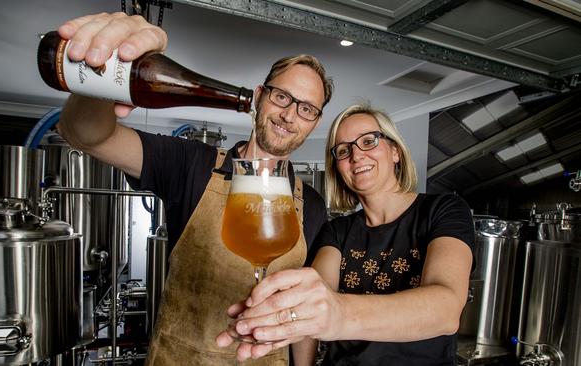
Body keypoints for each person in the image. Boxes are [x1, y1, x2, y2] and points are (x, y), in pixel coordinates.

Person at [54, 12, 334, 366]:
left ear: (315, 121)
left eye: (306, 108)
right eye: (281, 98)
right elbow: (86, 134)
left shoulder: (310, 203)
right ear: (260, 96)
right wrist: (104, 71)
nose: (289, 115)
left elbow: (303, 305)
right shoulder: (192, 163)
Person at [217, 103, 475, 365]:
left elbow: (446, 310)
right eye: (344, 150)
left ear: (395, 151)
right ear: (338, 168)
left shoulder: (443, 210)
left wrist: (338, 315)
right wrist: (285, 316)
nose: (356, 155)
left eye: (368, 141)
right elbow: (315, 295)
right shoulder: (337, 231)